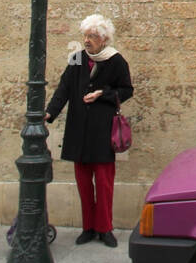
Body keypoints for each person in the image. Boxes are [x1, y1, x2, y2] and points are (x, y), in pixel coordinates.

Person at [44, 14, 133, 247]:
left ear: (104, 39)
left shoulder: (116, 61)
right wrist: (50, 113)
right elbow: (64, 88)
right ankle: (88, 227)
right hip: (78, 131)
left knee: (103, 184)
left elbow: (126, 90)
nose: (87, 40)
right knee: (83, 183)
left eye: (92, 36)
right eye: (85, 35)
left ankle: (105, 228)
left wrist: (102, 94)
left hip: (102, 131)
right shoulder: (76, 59)